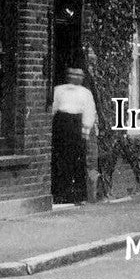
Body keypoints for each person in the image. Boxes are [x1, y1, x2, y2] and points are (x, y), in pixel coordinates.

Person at [51, 67, 96, 204]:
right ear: (67, 76)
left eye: (79, 75)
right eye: (72, 74)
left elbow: (89, 111)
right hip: (61, 123)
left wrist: (85, 131)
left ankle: (76, 195)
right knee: (60, 158)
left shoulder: (85, 93)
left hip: (76, 125)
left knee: (77, 160)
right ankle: (59, 193)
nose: (76, 78)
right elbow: (53, 108)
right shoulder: (58, 90)